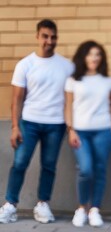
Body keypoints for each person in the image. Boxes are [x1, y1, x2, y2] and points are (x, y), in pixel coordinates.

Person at [0, 19, 73, 224]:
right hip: (29, 122)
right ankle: (10, 205)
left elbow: (71, 99)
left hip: (56, 124)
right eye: (45, 36)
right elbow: (16, 99)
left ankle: (42, 205)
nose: (49, 41)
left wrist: (70, 126)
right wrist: (15, 126)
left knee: (49, 166)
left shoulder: (67, 66)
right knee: (20, 163)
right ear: (37, 36)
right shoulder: (25, 64)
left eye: (53, 37)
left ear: (56, 38)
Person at [64, 40, 111, 227]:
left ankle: (95, 209)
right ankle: (82, 208)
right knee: (85, 169)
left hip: (103, 130)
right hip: (81, 132)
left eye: (98, 54)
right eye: (90, 54)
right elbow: (68, 106)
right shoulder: (73, 81)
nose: (94, 58)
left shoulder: (108, 81)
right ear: (83, 57)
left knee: (100, 170)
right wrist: (70, 130)